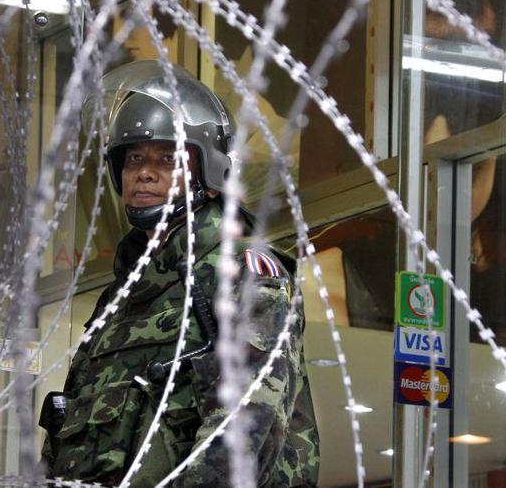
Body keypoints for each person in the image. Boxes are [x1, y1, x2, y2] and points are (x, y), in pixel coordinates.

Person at [39, 61, 320, 488]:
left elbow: (244, 426)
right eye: (134, 158)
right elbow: (69, 434)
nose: (145, 172)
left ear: (208, 171)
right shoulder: (124, 295)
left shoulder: (242, 274)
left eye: (167, 158)